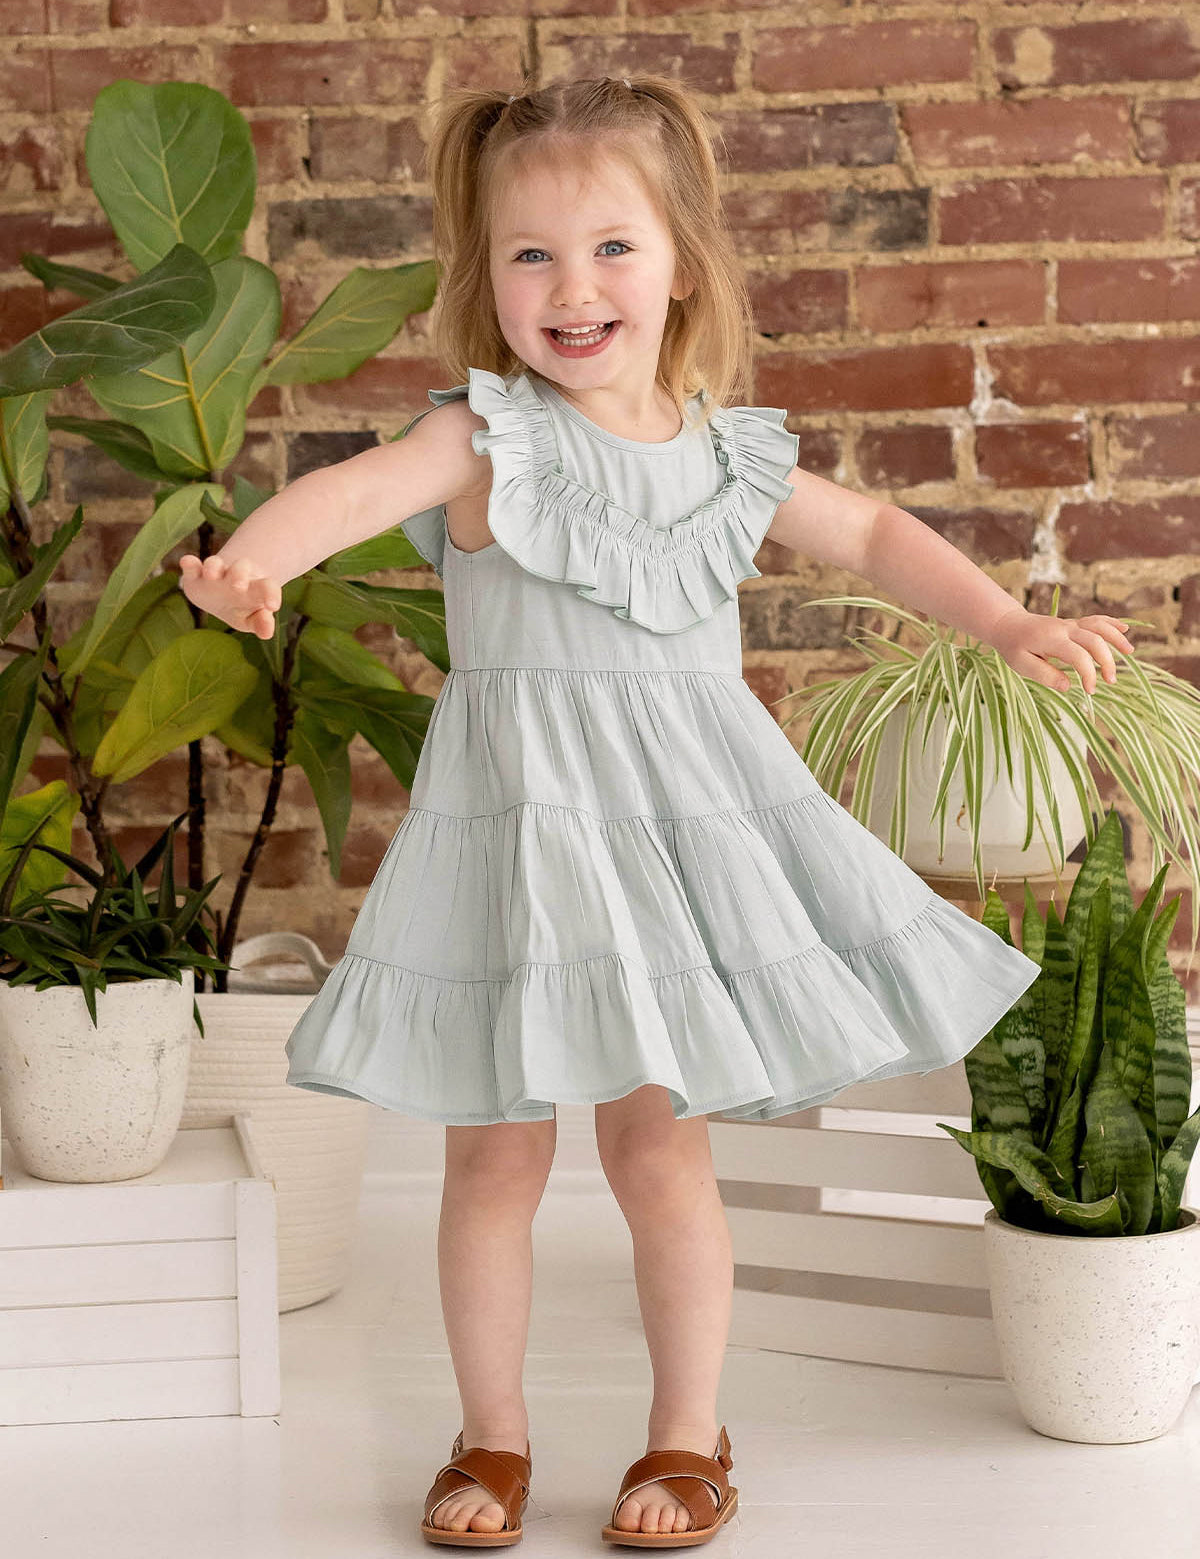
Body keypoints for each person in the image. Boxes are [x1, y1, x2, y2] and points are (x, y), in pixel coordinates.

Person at [179, 73, 1133, 1551]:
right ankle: (491, 1437)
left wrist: (1006, 621)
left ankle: (689, 1434)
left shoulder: (723, 458)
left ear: (682, 262)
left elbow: (874, 530)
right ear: (486, 275)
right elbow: (347, 493)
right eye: (532, 255)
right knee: (494, 1156)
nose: (573, 289)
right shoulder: (483, 440)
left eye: (612, 248)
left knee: (657, 1151)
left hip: (677, 854)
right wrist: (256, 561)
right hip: (521, 847)